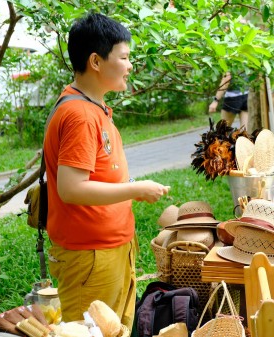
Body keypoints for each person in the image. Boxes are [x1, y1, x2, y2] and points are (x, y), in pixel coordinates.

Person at [44, 13, 169, 326]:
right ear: (96, 62)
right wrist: (136, 189)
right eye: (124, 57)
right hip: (91, 257)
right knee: (93, 331)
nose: (129, 66)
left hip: (109, 250)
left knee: (114, 330)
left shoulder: (91, 107)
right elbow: (71, 188)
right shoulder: (80, 115)